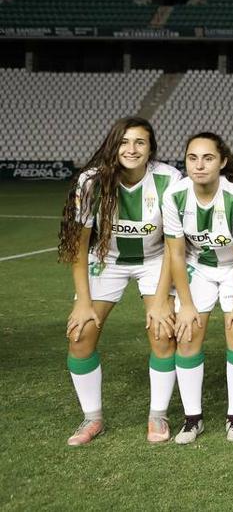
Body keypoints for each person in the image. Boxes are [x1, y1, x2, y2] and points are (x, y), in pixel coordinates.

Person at [59, 117, 182, 446]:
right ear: (114, 145)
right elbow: (79, 246)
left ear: (151, 148)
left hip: (155, 259)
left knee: (163, 330)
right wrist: (83, 302)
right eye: (124, 142)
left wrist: (159, 301)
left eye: (140, 142)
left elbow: (174, 247)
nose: (132, 149)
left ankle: (158, 415)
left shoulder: (169, 180)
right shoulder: (91, 182)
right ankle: (92, 418)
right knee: (81, 334)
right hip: (106, 259)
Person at [165, 132, 233, 444]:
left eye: (207, 158)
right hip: (199, 266)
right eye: (193, 158)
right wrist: (186, 304)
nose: (199, 165)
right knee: (187, 334)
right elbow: (176, 252)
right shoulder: (175, 195)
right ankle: (193, 419)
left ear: (222, 162)